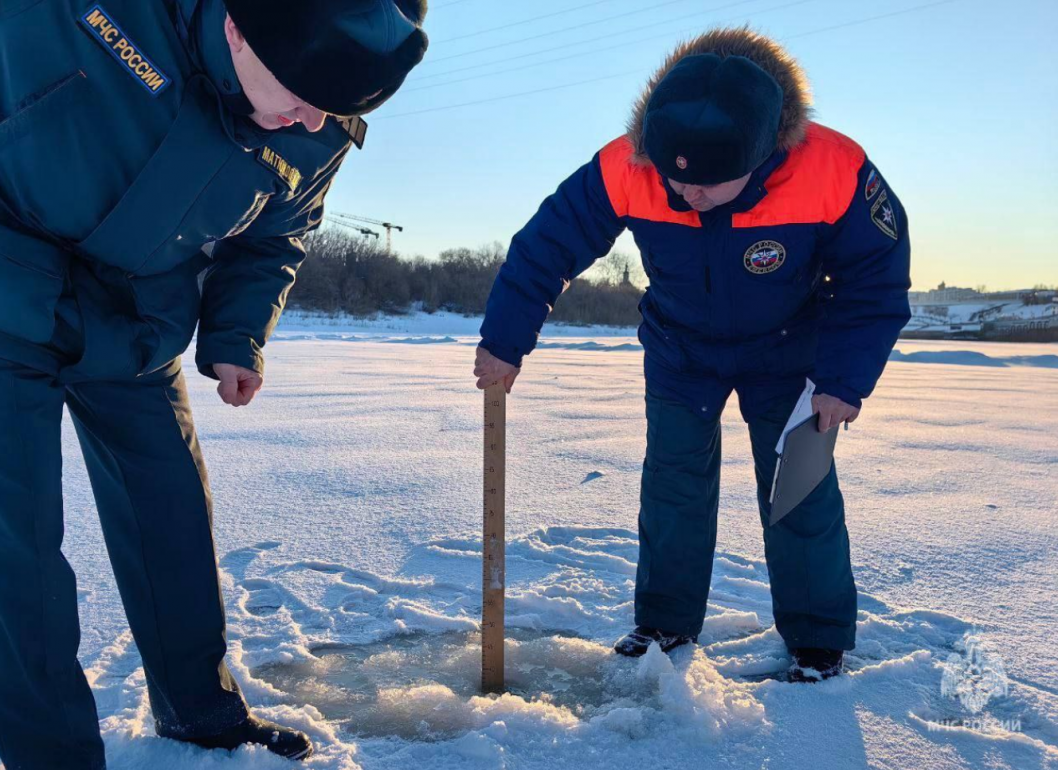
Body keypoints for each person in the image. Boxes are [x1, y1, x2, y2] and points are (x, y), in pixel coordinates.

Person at [0, 0, 427, 766]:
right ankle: (50, 754)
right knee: (16, 545)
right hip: (8, 282)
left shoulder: (323, 112)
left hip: (137, 320)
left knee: (171, 516)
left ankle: (202, 713)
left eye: (331, 109)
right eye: (300, 96)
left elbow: (280, 233)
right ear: (236, 25)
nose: (309, 122)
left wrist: (236, 335)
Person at [474, 27, 911, 683]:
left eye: (707, 185)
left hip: (795, 356)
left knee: (799, 491)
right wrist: (505, 340)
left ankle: (817, 642)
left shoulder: (832, 167)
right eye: (675, 182)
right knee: (673, 488)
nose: (684, 196)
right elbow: (547, 246)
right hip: (682, 351)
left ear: (762, 154)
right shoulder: (632, 162)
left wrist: (845, 380)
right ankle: (663, 625)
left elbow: (876, 276)